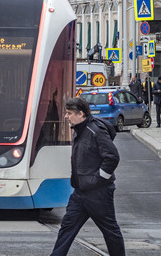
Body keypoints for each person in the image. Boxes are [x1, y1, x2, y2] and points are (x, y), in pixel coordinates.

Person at [50, 97, 124, 256]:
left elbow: (112, 157)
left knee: (110, 231)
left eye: (69, 113)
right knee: (67, 228)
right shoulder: (80, 130)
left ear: (81, 114)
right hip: (80, 192)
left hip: (98, 193)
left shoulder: (95, 131)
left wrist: (98, 180)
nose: (66, 116)